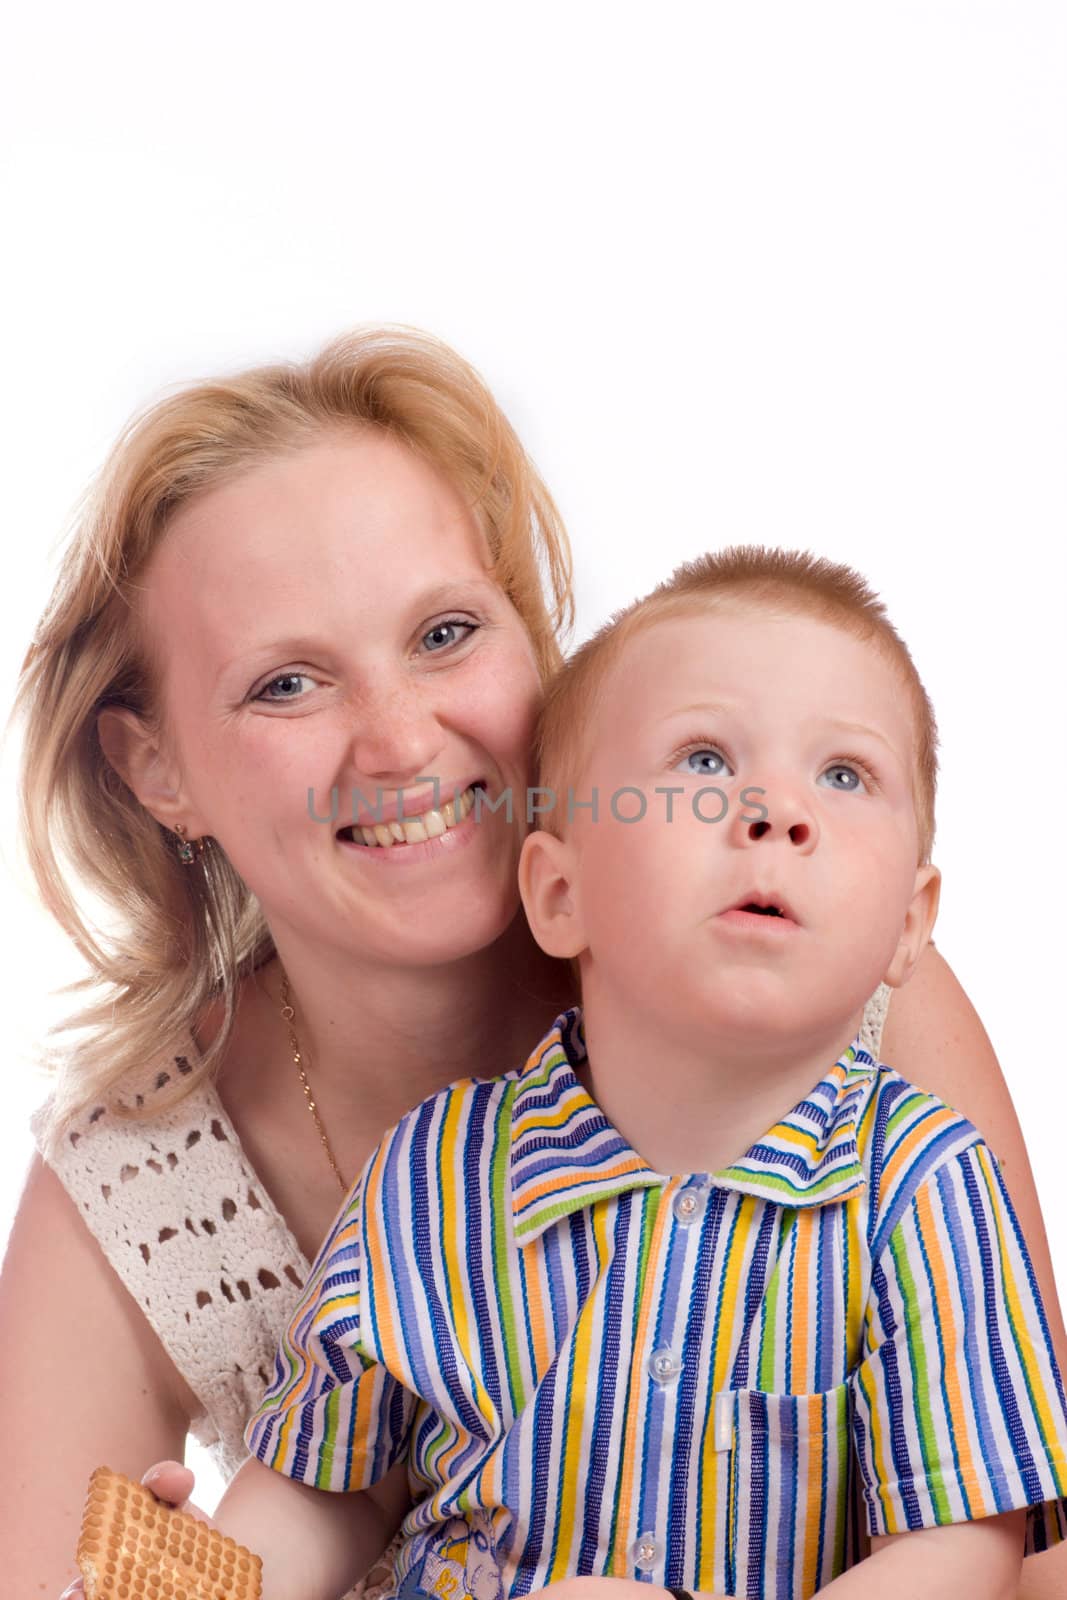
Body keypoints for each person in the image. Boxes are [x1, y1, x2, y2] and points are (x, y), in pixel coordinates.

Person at [1, 333, 1062, 1599]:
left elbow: (1006, 1561)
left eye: (446, 630)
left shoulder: (833, 1022)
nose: (400, 740)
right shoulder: (372, 1188)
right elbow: (304, 1513)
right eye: (286, 682)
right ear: (155, 768)